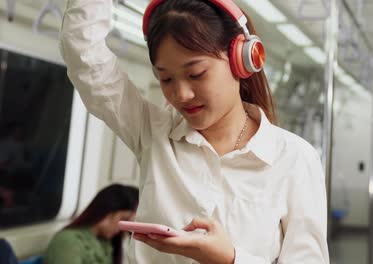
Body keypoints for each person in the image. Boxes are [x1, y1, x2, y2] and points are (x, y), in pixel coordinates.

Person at [59, 0, 330, 263]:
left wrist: (230, 259)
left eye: (197, 74)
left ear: (241, 60)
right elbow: (84, 56)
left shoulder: (294, 159)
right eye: (165, 79)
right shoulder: (154, 134)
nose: (181, 94)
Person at [43, 184, 138, 264]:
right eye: (123, 219)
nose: (122, 228)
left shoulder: (105, 241)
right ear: (106, 212)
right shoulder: (67, 241)